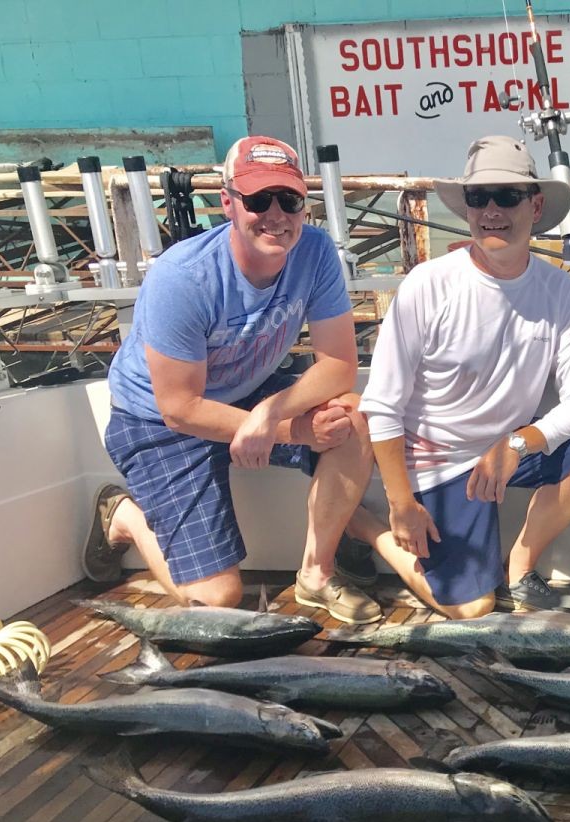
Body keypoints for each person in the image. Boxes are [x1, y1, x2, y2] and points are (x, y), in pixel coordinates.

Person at [81, 135, 381, 625]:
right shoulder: (182, 277)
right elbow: (181, 408)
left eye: (289, 200)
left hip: (248, 392)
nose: (276, 215)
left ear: (304, 205)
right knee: (216, 601)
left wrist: (269, 412)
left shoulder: (316, 251)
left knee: (352, 417)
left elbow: (339, 366)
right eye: (259, 200)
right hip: (157, 419)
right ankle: (125, 517)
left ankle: (316, 574)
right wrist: (292, 431)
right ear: (228, 202)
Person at [354, 136, 570, 619]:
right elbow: (382, 405)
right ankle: (366, 527)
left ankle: (521, 569)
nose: (491, 210)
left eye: (507, 196)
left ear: (535, 206)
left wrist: (518, 444)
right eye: (478, 197)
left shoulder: (561, 291)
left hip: (509, 450)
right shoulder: (427, 284)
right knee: (473, 609)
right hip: (438, 460)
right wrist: (400, 503)